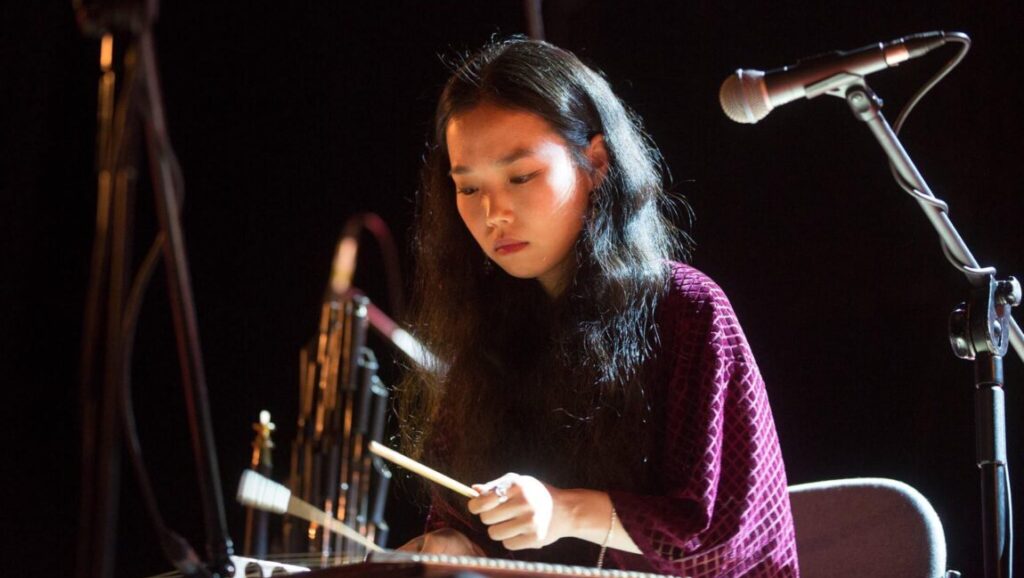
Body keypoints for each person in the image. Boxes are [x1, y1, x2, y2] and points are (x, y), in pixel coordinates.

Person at [396, 37, 799, 577]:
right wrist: (441, 549)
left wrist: (563, 510)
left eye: (521, 177)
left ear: (596, 162)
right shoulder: (487, 333)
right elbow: (464, 526)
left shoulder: (687, 309)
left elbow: (726, 532)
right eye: (468, 189)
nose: (494, 214)